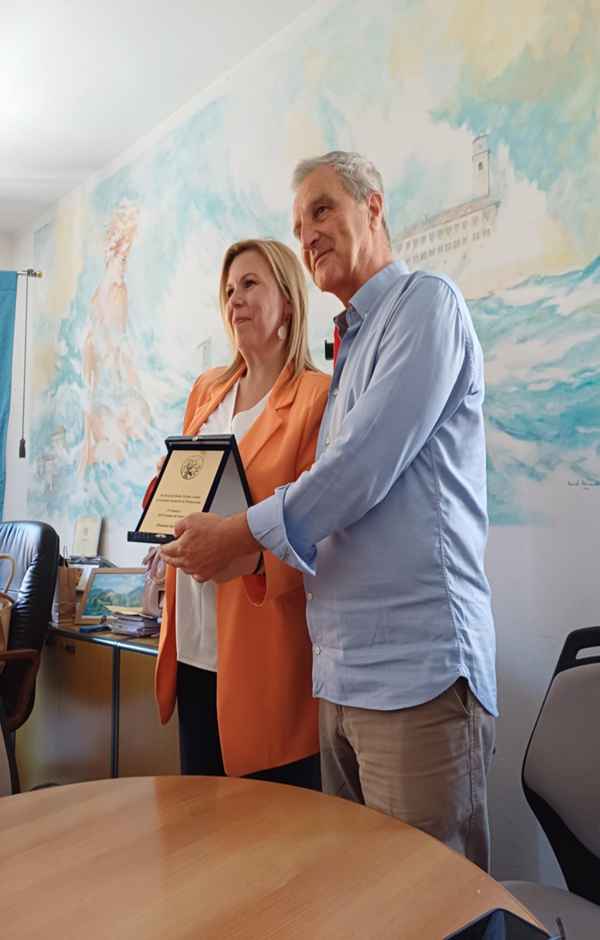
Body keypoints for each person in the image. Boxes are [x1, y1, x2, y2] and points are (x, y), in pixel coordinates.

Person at [161, 153, 497, 870]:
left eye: (322, 210)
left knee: (427, 901)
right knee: (351, 897)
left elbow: (355, 473)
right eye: (297, 223)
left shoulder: (426, 306)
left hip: (414, 673)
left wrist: (239, 538)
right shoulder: (352, 348)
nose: (307, 233)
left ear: (373, 207)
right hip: (341, 678)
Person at [153, 238, 330, 788]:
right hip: (192, 644)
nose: (235, 299)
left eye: (250, 284)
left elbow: (322, 534)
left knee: (266, 829)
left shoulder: (317, 397)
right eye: (229, 290)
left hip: (264, 661)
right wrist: (162, 494)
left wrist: (249, 558)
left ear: (288, 302)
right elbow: (183, 489)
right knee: (198, 823)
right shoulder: (207, 389)